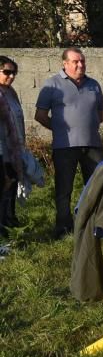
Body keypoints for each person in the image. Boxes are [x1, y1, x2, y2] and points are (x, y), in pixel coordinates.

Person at [35, 47, 103, 238]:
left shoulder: (94, 84)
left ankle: (95, 224)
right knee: (64, 189)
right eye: (76, 61)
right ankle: (63, 227)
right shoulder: (52, 85)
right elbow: (40, 116)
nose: (81, 65)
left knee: (96, 187)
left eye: (82, 61)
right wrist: (60, 129)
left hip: (92, 144)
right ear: (65, 64)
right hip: (64, 146)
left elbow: (101, 114)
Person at [0, 55, 25, 235]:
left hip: (13, 148)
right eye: (7, 72)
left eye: (14, 72)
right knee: (4, 185)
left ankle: (9, 221)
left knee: (12, 184)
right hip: (1, 149)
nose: (11, 76)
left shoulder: (11, 92)